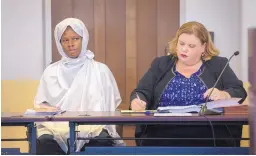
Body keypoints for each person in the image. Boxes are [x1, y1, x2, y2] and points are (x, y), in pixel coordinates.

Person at [130, 21, 247, 147]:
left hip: (209, 136)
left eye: (191, 46)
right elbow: (141, 91)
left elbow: (238, 90)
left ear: (204, 47)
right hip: (161, 135)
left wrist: (223, 94)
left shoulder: (218, 64)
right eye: (181, 44)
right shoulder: (161, 64)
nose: (184, 49)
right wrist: (137, 101)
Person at [34, 18, 124, 155]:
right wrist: (46, 109)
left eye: (75, 38)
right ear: (59, 43)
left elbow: (113, 106)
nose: (70, 44)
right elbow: (41, 106)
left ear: (84, 39)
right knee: (44, 142)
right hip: (56, 127)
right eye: (65, 40)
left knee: (101, 141)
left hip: (94, 127)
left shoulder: (100, 70)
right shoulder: (51, 72)